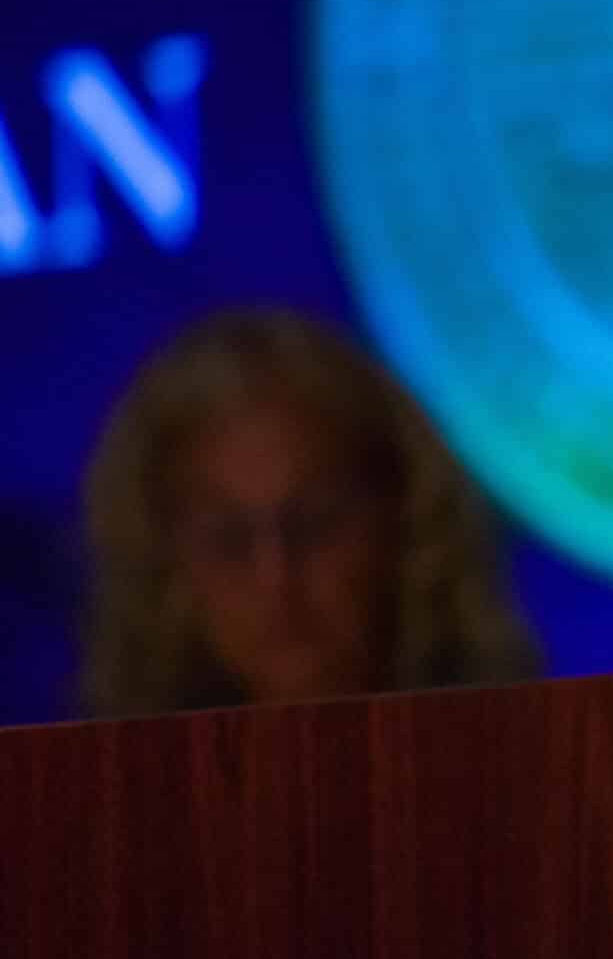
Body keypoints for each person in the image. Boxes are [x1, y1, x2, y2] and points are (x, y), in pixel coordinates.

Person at [78, 306, 539, 716]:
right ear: (162, 557)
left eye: (317, 524)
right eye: (228, 539)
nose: (276, 578)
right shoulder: (107, 781)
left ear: (405, 520)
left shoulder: (528, 748)